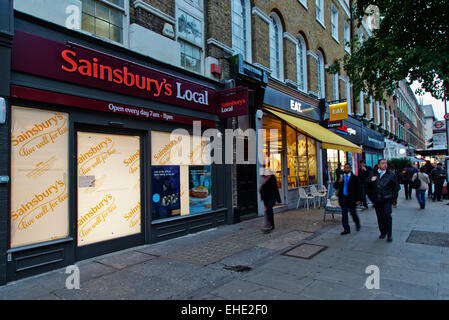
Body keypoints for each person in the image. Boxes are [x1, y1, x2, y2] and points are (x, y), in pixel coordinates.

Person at [367, 159, 400, 242]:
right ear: (378, 165)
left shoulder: (391, 175)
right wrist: (371, 180)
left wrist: (392, 197)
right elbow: (366, 184)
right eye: (383, 163)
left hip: (387, 199)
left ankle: (389, 234)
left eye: (386, 163)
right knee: (380, 217)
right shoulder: (373, 173)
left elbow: (397, 187)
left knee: (387, 215)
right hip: (377, 199)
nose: (385, 165)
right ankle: (383, 232)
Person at [334, 163, 362, 235]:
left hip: (352, 199)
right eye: (345, 168)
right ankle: (346, 229)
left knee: (353, 213)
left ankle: (357, 223)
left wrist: (359, 199)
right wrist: (338, 181)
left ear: (350, 169)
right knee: (344, 214)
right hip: (343, 198)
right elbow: (336, 186)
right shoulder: (341, 177)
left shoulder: (355, 178)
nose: (346, 169)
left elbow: (359, 189)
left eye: (347, 168)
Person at [259, 167, 281, 232]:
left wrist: (278, 199)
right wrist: (260, 187)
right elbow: (261, 190)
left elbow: (275, 189)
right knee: (269, 211)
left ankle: (270, 225)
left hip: (272, 197)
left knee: (269, 209)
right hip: (265, 198)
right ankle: (271, 225)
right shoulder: (263, 179)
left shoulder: (272, 178)